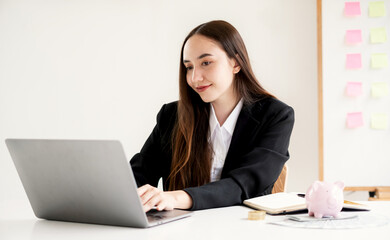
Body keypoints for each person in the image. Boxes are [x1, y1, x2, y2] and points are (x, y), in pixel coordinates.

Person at [130, 20, 294, 212]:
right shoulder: (171, 116)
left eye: (206, 63)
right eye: (189, 67)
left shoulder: (275, 116)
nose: (194, 78)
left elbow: (244, 186)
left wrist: (176, 198)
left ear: (236, 63)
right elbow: (138, 174)